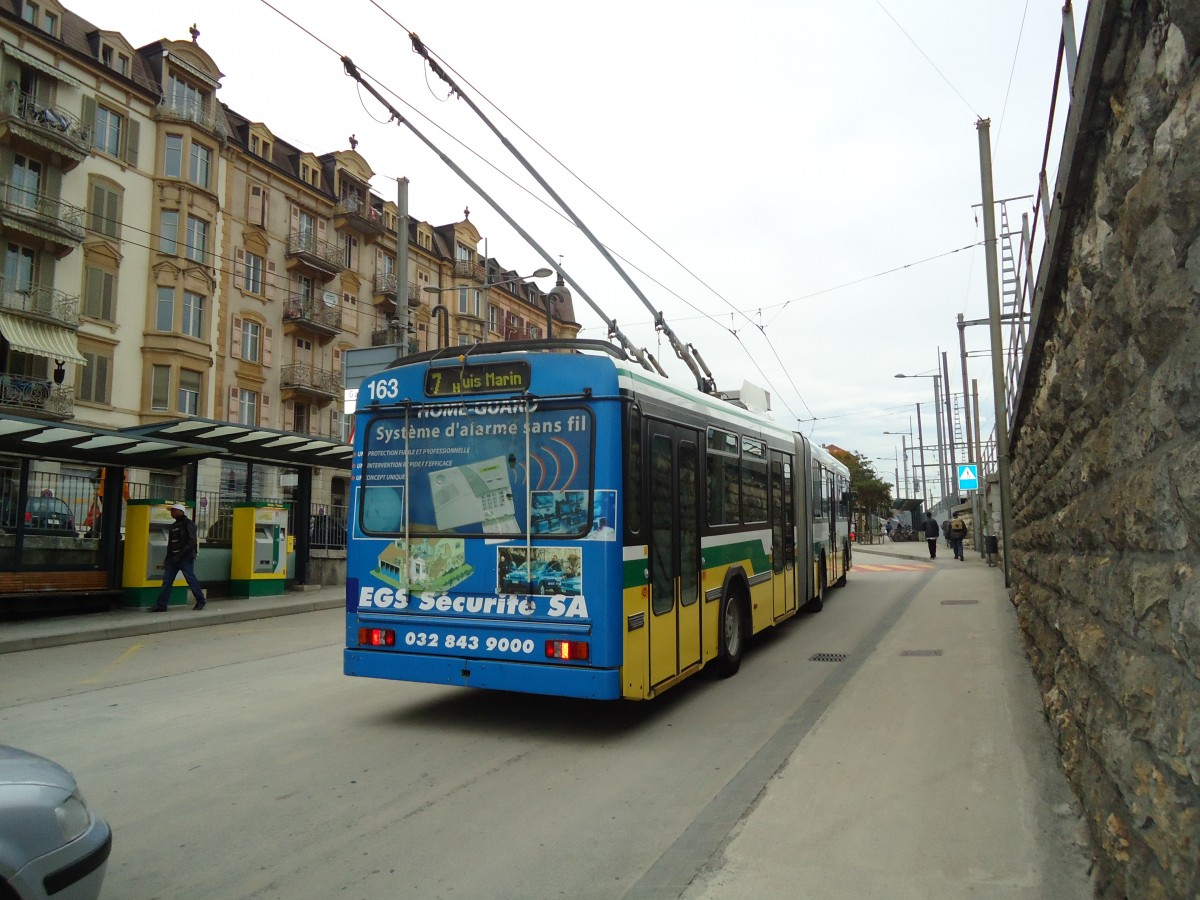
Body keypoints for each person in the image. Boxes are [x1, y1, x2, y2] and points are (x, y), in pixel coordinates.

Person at [150, 503, 207, 611]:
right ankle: (161, 605)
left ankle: (201, 601)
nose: (172, 513)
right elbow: (171, 544)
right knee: (167, 581)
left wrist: (179, 554)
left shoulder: (188, 524)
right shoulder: (173, 526)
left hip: (185, 557)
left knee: (190, 579)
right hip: (173, 557)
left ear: (181, 512)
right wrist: (169, 558)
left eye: (174, 511)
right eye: (171, 511)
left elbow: (191, 542)